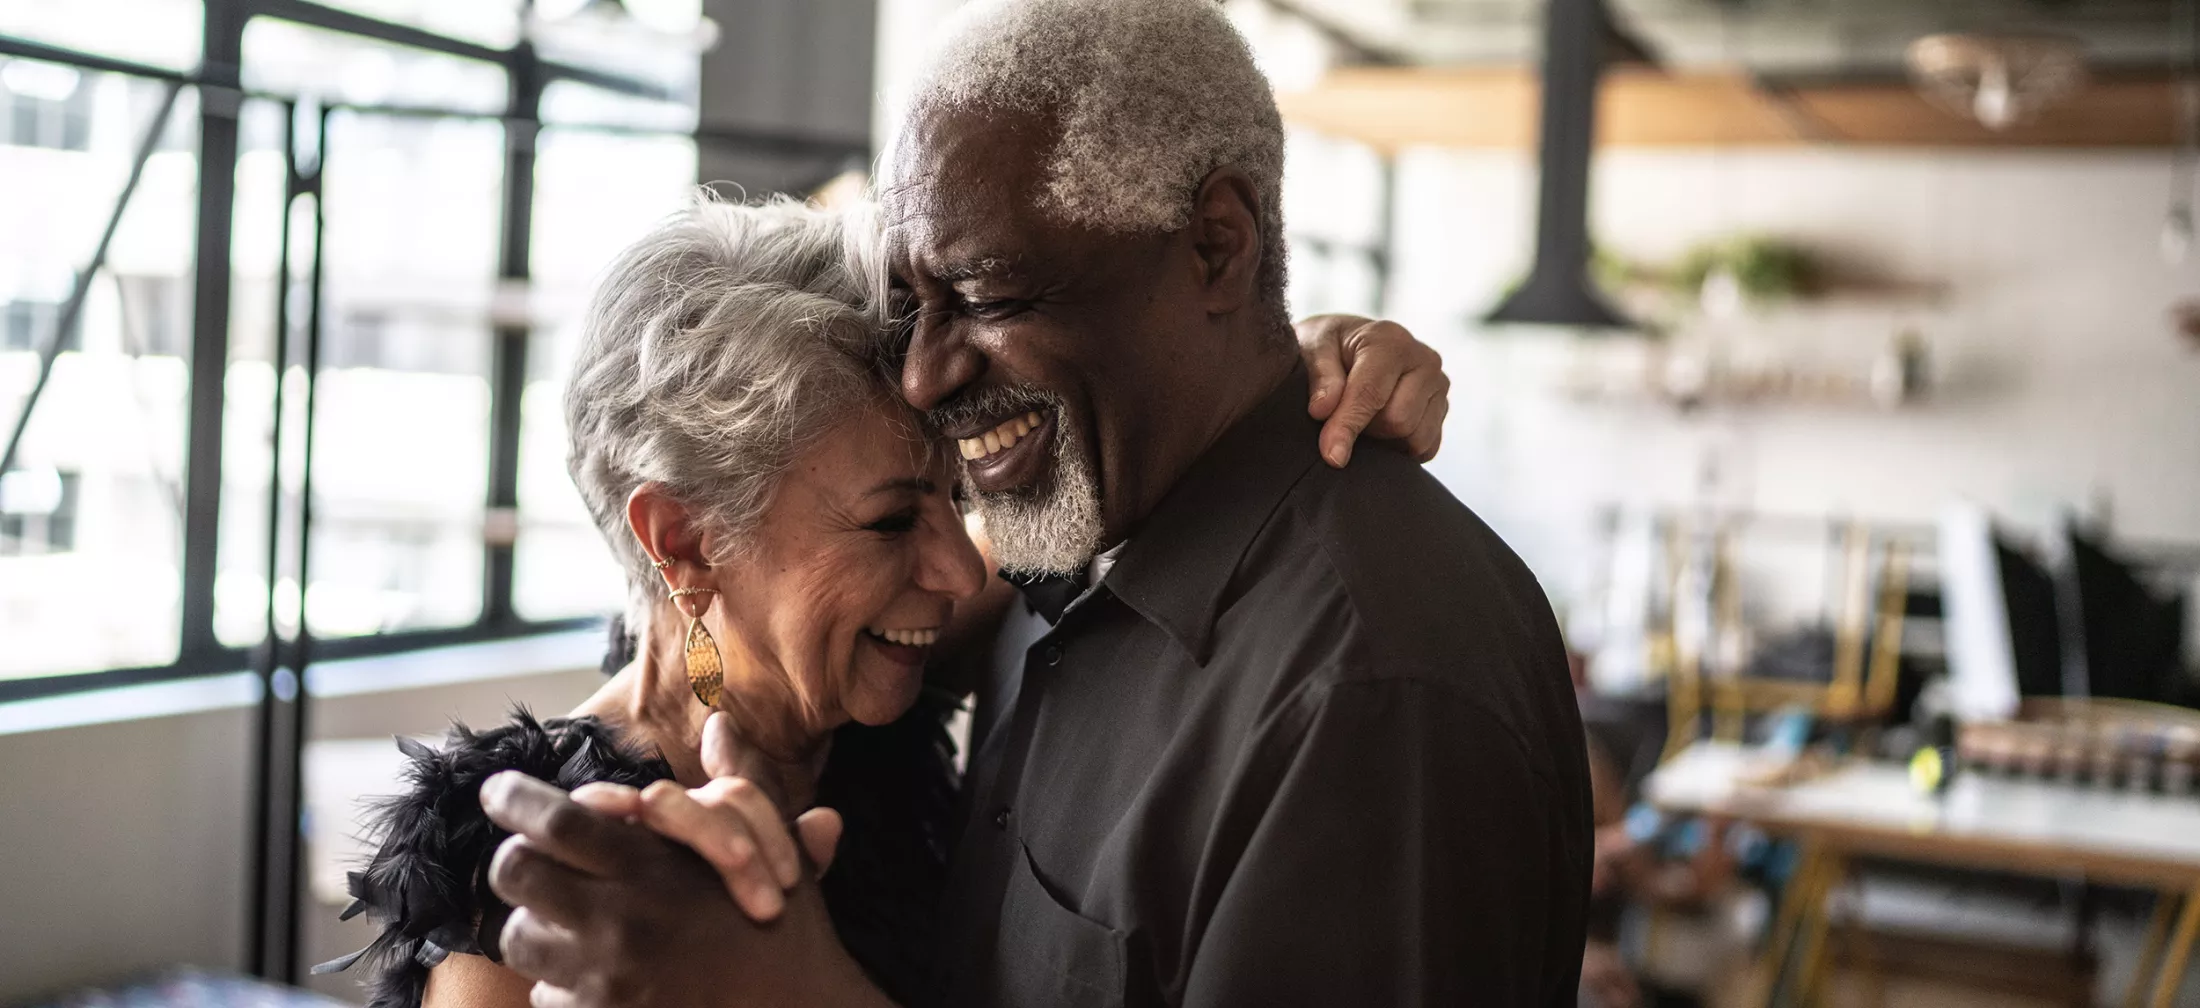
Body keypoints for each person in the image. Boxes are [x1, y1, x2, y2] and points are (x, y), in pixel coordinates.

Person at [477, 0, 1592, 1006]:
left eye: (989, 293)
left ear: (1216, 247)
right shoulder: (1071, 554)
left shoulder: (1368, 687)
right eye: (913, 304)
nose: (925, 373)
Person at [318, 192, 1453, 1008]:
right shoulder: (541, 883)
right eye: (892, 520)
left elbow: (1149, 492)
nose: (962, 572)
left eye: (956, 500)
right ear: (684, 542)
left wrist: (1302, 364)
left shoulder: (878, 672)